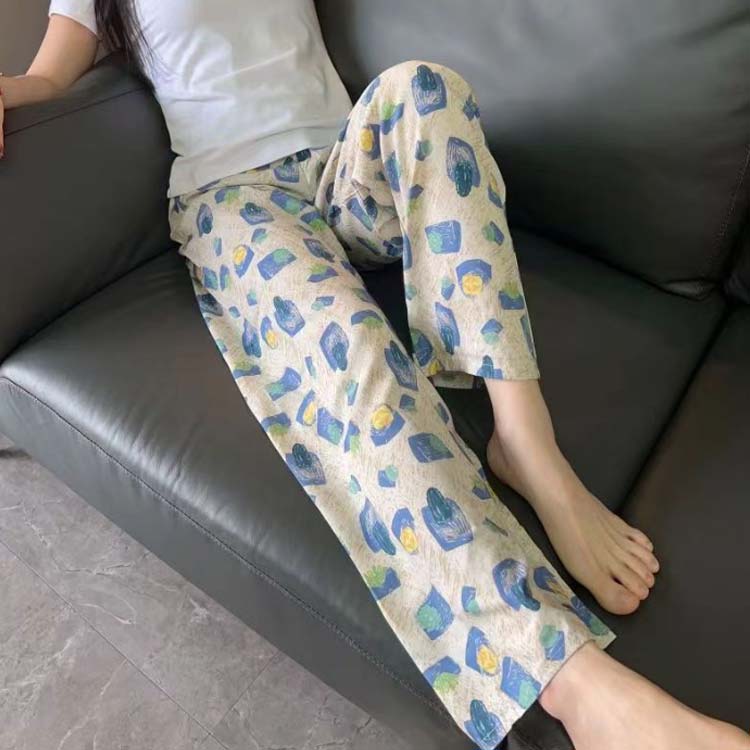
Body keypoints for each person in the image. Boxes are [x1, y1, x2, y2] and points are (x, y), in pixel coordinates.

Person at [1, 3, 747, 749]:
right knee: (360, 376)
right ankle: (571, 679)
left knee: (427, 88)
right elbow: (47, 78)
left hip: (344, 167)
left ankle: (528, 443)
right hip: (237, 201)